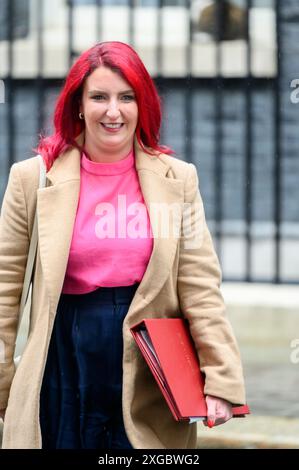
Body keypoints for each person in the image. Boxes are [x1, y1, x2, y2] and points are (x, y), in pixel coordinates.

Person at [0, 41, 246, 449]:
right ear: (78, 104)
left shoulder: (178, 180)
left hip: (150, 362)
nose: (113, 111)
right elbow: (5, 291)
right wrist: (5, 384)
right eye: (99, 96)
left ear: (141, 105)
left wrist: (220, 377)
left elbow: (200, 286)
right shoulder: (33, 179)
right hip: (62, 357)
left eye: (126, 97)